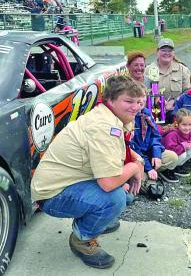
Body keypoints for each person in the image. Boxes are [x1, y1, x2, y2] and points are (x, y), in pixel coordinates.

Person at [31, 75, 146, 269]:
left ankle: (96, 221)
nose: (135, 107)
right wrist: (135, 167)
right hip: (52, 195)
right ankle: (82, 240)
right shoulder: (103, 126)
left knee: (125, 195)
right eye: (128, 101)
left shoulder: (110, 115)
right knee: (116, 197)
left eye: (139, 102)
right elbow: (108, 182)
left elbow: (120, 148)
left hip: (69, 182)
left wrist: (138, 161)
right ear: (110, 100)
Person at [131, 104, 179, 188]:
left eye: (143, 97)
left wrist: (156, 155)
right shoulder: (130, 116)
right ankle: (146, 175)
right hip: (136, 157)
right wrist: (148, 167)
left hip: (149, 153)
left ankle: (152, 173)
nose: (141, 101)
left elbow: (156, 135)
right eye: (138, 99)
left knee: (172, 157)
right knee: (142, 182)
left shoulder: (147, 113)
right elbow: (134, 148)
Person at [145, 38, 191, 122]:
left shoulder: (182, 69)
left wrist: (175, 101)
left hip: (178, 115)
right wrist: (156, 99)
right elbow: (144, 92)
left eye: (169, 51)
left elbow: (188, 91)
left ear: (173, 53)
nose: (167, 53)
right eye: (163, 50)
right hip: (155, 115)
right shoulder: (149, 69)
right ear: (157, 51)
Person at [162, 108, 191, 178]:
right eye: (184, 125)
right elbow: (170, 151)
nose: (187, 128)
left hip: (178, 151)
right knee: (183, 154)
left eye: (190, 124)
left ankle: (177, 167)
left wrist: (189, 144)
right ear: (177, 124)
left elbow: (186, 142)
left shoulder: (187, 132)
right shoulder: (172, 134)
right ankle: (167, 170)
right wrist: (183, 146)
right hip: (165, 157)